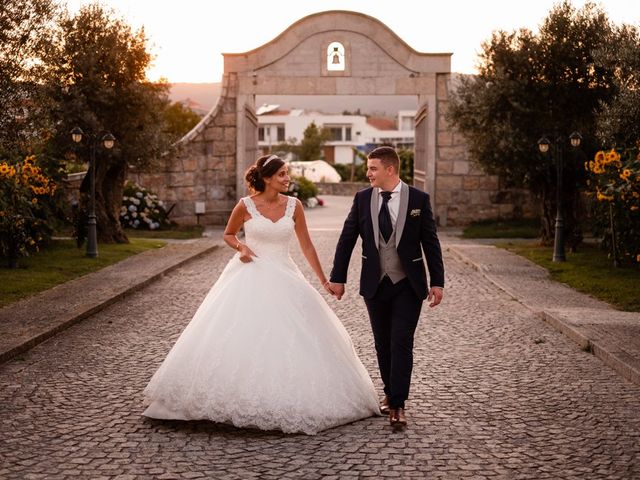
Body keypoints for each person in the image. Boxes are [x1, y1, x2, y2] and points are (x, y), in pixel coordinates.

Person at [142, 154, 380, 435]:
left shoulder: (294, 206)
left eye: (287, 173)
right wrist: (241, 247)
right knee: (238, 333)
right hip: (249, 274)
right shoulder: (245, 205)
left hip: (285, 275)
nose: (287, 178)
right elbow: (229, 234)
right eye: (281, 174)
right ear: (266, 178)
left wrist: (323, 280)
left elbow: (307, 247)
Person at [328, 146, 445, 429]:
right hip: (375, 283)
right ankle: (390, 391)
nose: (368, 173)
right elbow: (347, 239)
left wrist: (437, 282)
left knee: (401, 341)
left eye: (373, 169)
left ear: (390, 170)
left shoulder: (418, 199)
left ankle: (398, 404)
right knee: (383, 343)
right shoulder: (362, 199)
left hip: (408, 284)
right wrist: (338, 277)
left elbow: (430, 242)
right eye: (368, 169)